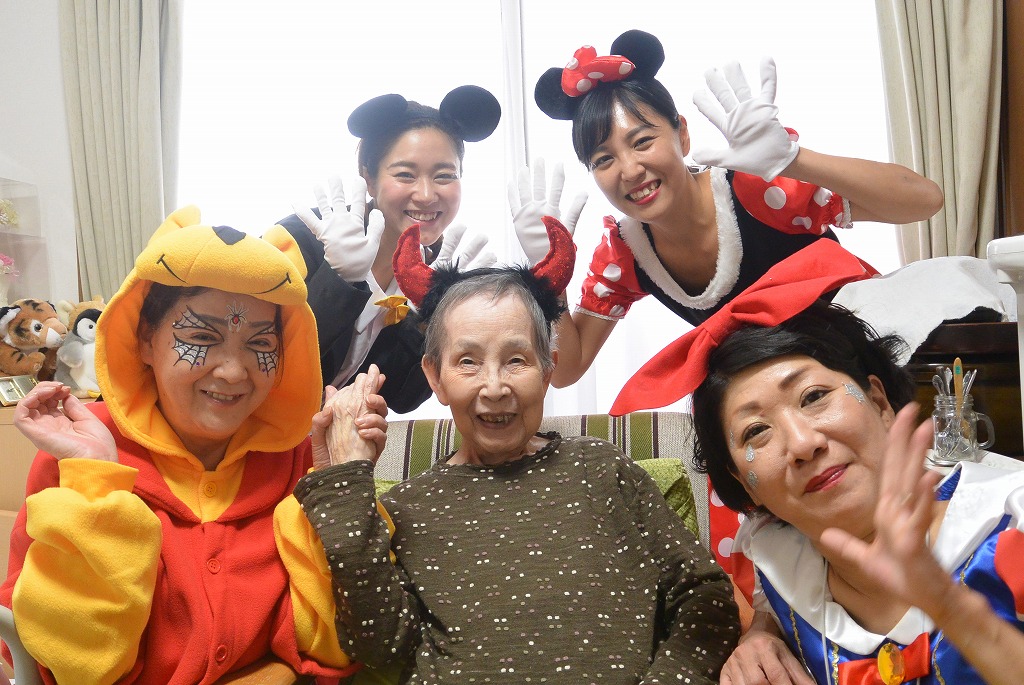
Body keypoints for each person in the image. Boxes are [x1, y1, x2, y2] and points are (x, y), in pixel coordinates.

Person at [292, 219, 741, 683]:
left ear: (547, 371)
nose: (494, 387)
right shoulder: (405, 507)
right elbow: (378, 646)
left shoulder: (602, 470)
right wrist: (346, 481)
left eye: (516, 360)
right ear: (435, 377)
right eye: (468, 362)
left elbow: (705, 597)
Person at [0, 207, 360, 684]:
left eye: (260, 344)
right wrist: (97, 486)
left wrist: (342, 488)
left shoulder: (299, 455)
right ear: (145, 339)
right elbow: (67, 663)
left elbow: (335, 639)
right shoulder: (78, 448)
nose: (233, 371)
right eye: (201, 337)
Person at [529, 29, 943, 388]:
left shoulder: (754, 190)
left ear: (682, 134)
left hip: (865, 370)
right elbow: (566, 370)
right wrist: (551, 276)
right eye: (603, 160)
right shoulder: (625, 252)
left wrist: (795, 160)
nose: (630, 170)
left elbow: (925, 200)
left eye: (642, 142)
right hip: (770, 399)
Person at [687, 298, 1024, 685]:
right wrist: (759, 634)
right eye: (757, 431)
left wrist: (949, 607)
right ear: (745, 483)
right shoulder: (778, 561)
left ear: (879, 402)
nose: (802, 444)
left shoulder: (1009, 522)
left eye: (814, 396)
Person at [277, 85, 501, 413]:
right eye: (405, 175)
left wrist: (432, 316)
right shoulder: (302, 241)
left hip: (330, 437)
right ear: (368, 178)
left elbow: (402, 397)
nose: (426, 195)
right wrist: (339, 280)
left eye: (444, 176)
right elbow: (267, 359)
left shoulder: (432, 268)